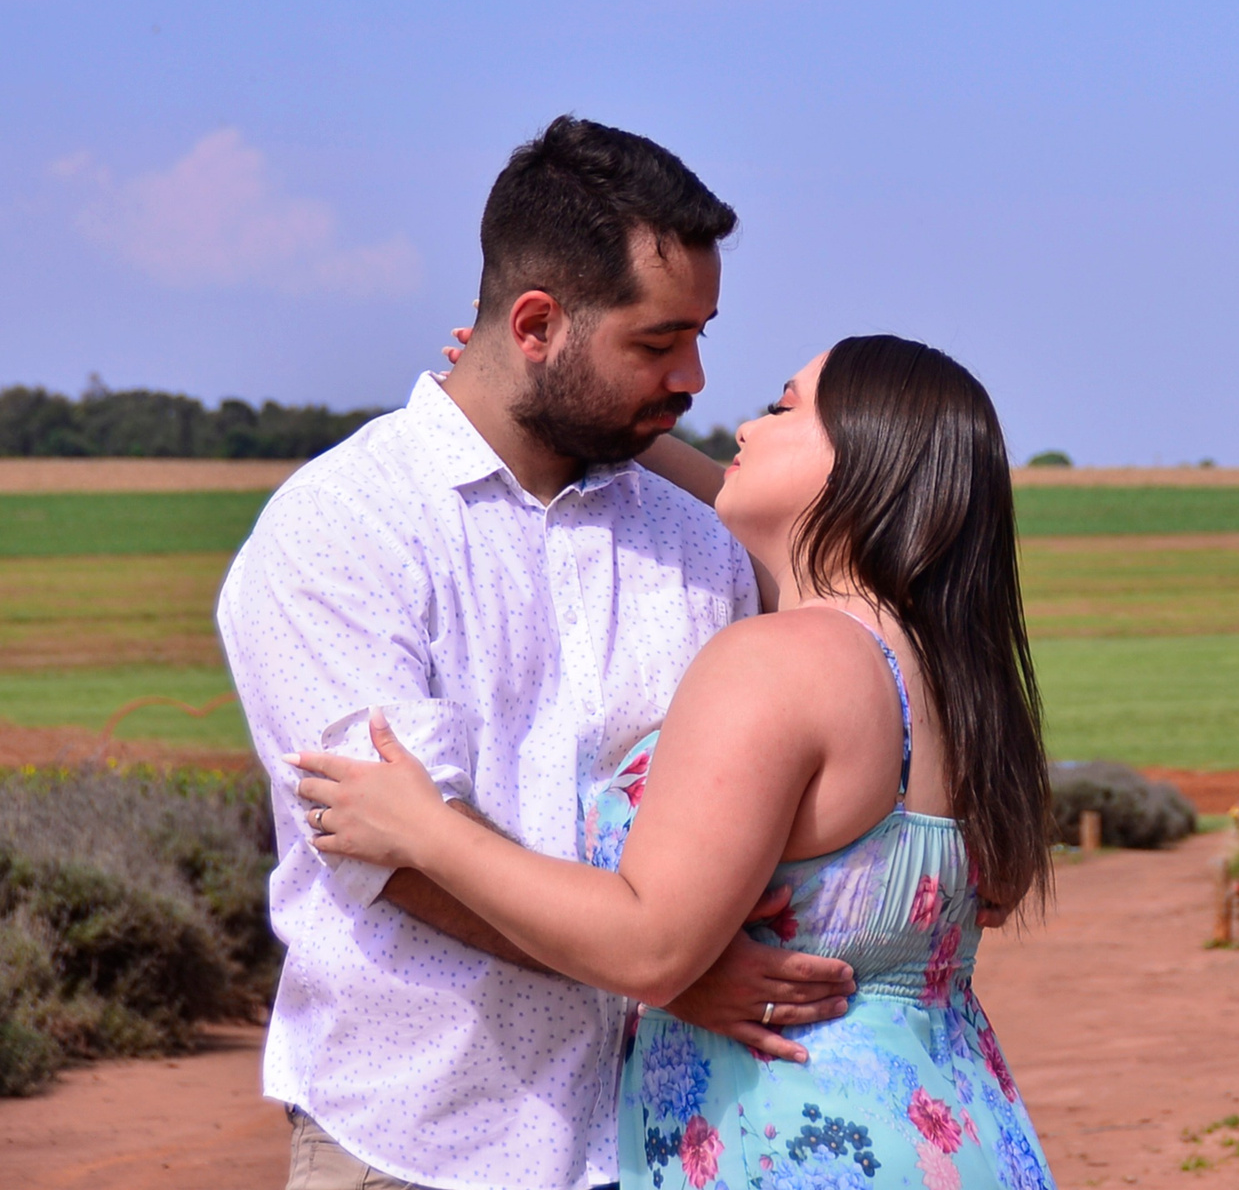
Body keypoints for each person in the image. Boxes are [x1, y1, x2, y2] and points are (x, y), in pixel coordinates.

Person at [217, 117, 855, 1190]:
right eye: (658, 342)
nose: (696, 373)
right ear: (536, 323)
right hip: (419, 1140)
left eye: (701, 332)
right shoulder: (340, 526)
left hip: (676, 1138)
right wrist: (661, 968)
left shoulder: (698, 541)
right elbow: (393, 851)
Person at [292, 335, 1058, 1190]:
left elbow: (648, 944)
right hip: (950, 1131)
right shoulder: (948, 676)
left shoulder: (776, 662)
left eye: (782, 407)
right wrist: (602, 412)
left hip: (789, 1142)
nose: (742, 425)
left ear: (864, 463)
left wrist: (424, 831)